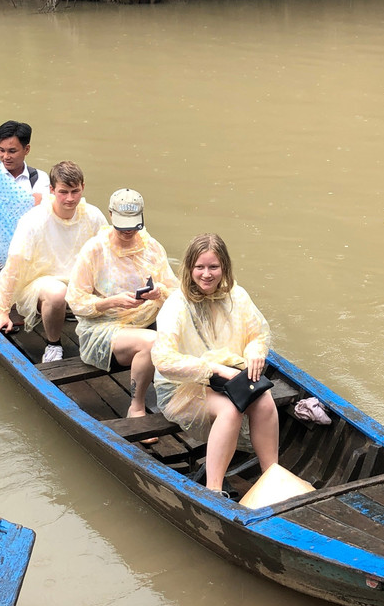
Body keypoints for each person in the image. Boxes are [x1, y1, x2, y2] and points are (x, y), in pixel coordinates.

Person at [151, 233, 278, 496]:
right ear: (189, 268)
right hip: (183, 385)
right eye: (200, 267)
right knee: (230, 410)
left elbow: (258, 334)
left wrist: (255, 351)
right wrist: (213, 370)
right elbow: (164, 361)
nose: (206, 274)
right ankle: (214, 489)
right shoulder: (176, 304)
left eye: (213, 267)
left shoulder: (237, 296)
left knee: (265, 401)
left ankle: (272, 476)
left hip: (229, 376)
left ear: (224, 268)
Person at [66, 189, 178, 423]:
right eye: (122, 225)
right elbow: (76, 301)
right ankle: (136, 406)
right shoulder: (95, 249)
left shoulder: (152, 247)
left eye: (133, 226)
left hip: (146, 318)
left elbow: (175, 291)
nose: (127, 231)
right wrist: (112, 301)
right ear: (110, 216)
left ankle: (184, 395)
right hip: (104, 327)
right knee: (151, 342)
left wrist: (158, 292)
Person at [0, 161, 108, 363]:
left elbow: (110, 254)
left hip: (80, 282)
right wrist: (3, 311)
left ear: (83, 188)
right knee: (57, 293)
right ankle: (53, 344)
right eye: (63, 192)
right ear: (52, 190)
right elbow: (14, 266)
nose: (70, 198)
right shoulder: (33, 220)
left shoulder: (93, 215)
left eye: (75, 191)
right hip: (41, 283)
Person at [0, 120, 52, 271]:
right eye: (1, 150)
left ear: (27, 149)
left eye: (12, 151)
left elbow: (41, 212)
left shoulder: (40, 178)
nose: (5, 156)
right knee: (17, 267)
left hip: (32, 245)